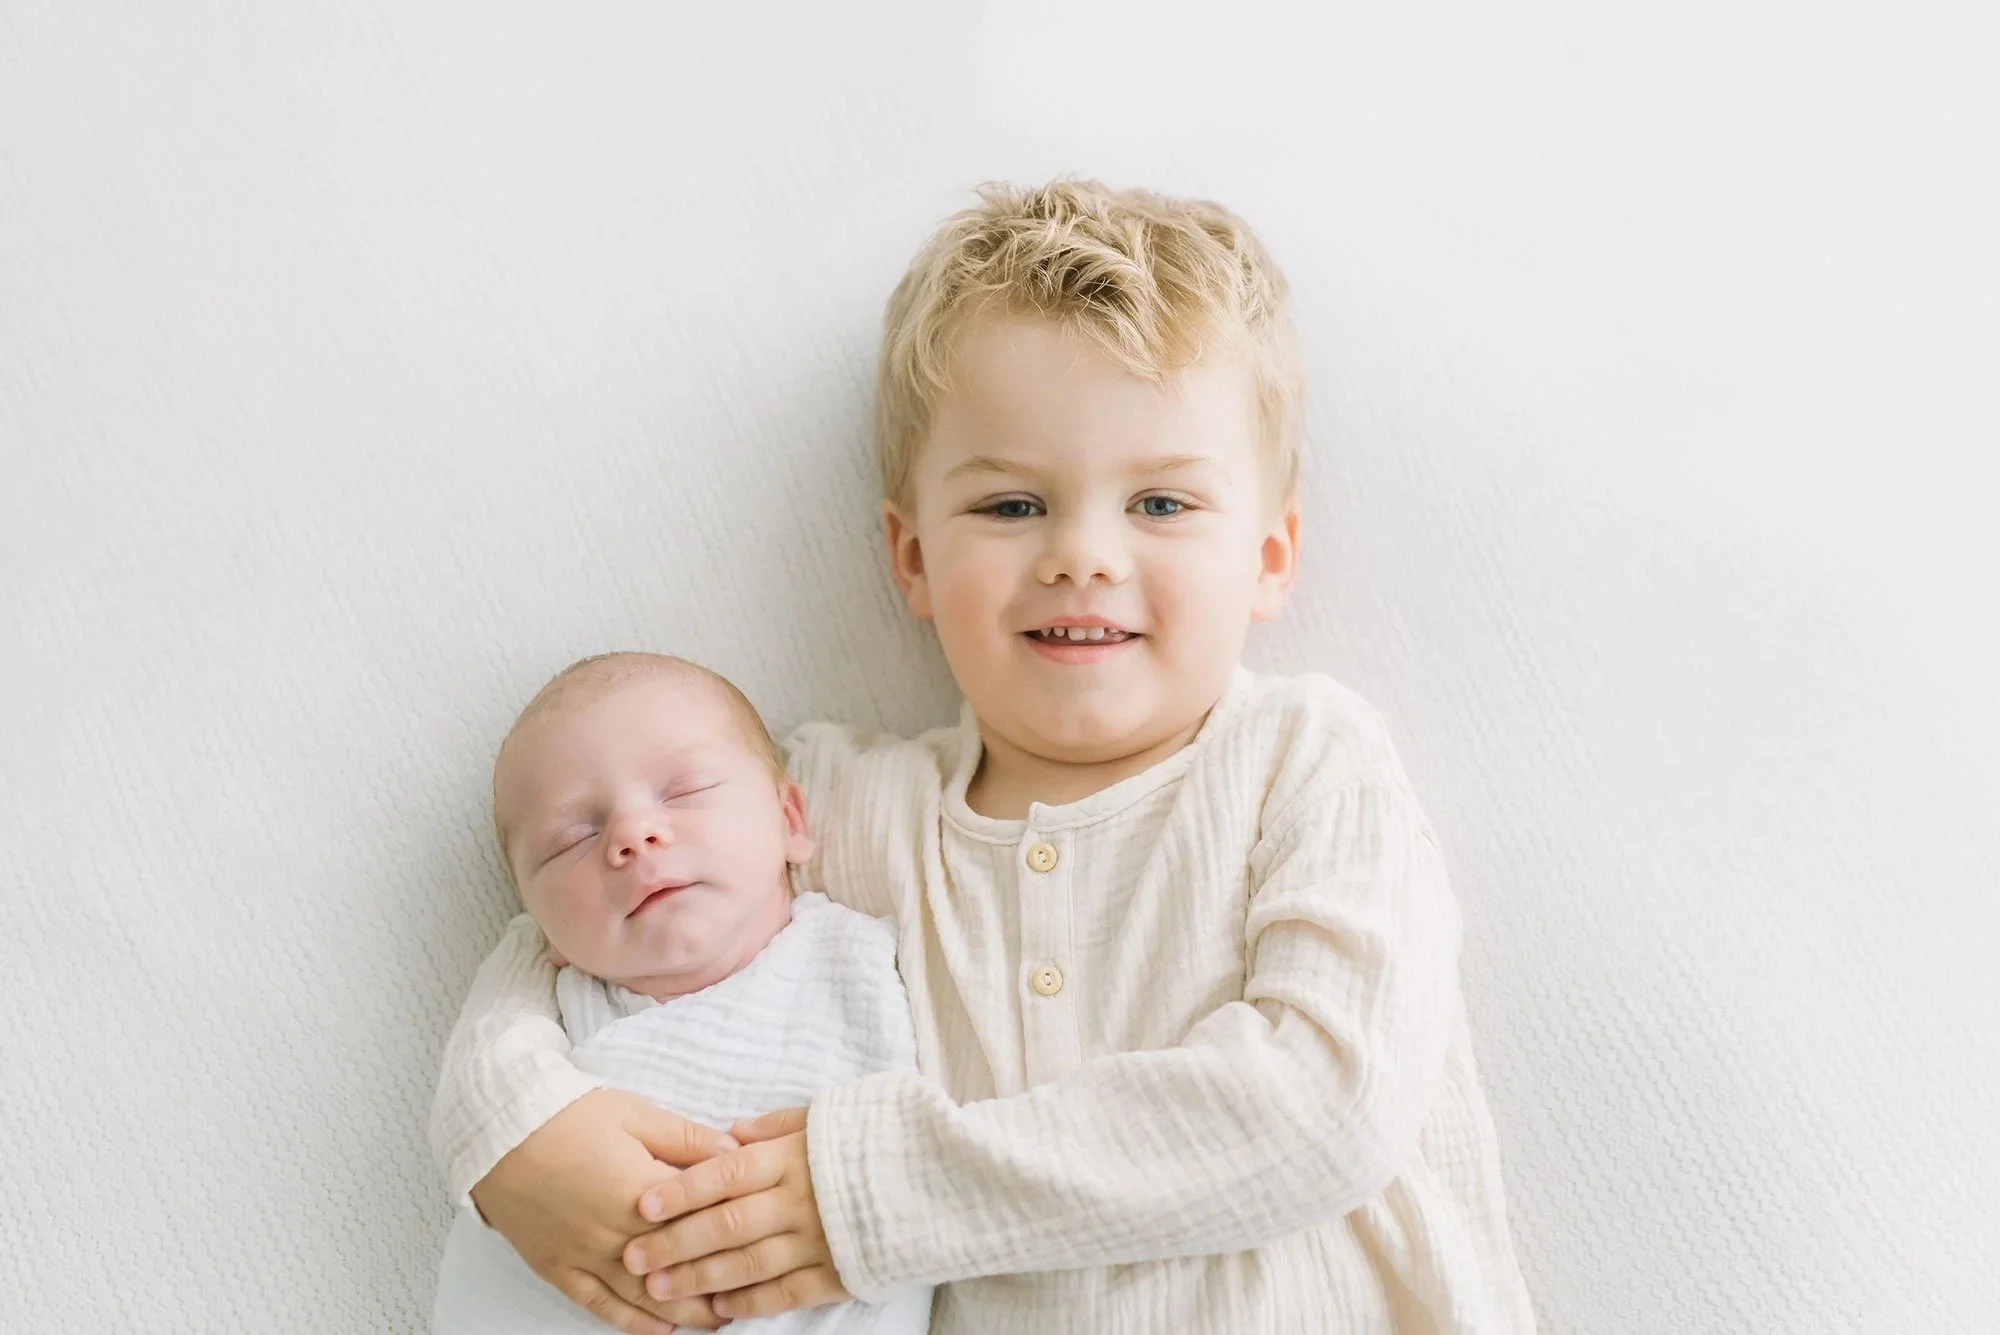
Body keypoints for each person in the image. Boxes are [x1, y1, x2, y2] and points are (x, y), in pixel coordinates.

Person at [432, 180, 1538, 1333]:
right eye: (1012, 506)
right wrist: (508, 1122)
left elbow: (1327, 1103)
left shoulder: (1303, 761)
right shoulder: (848, 810)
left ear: (1268, 556)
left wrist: (870, 1194)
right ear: (910, 560)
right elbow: (580, 910)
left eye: (1160, 502)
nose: (1081, 556)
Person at [430, 652, 929, 1334]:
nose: (633, 836)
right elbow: (484, 1104)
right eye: (572, 838)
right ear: (537, 920)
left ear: (790, 818)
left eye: (686, 789)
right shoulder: (541, 1011)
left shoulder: (871, 960)